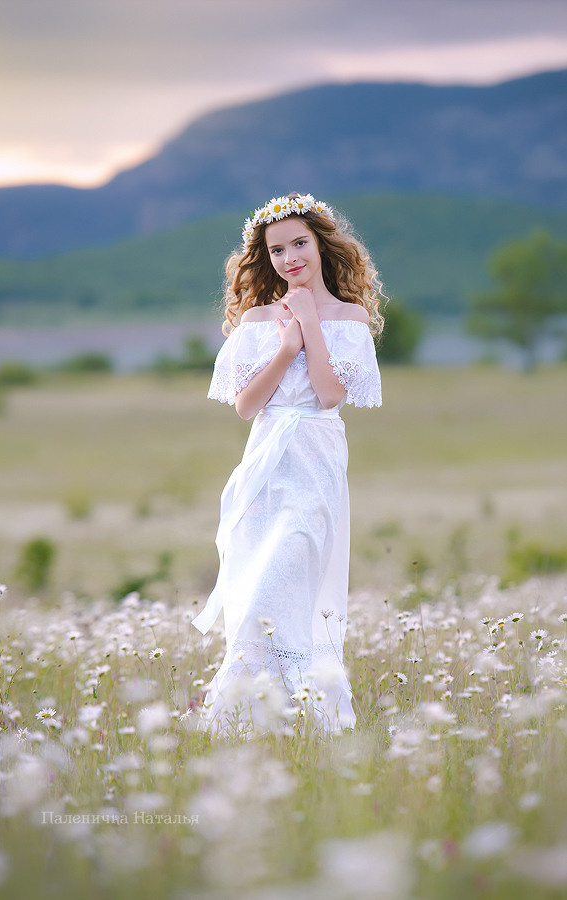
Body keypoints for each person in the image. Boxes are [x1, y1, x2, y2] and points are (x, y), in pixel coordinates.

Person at [191, 192, 384, 734]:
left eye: (299, 243)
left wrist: (310, 324)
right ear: (266, 258)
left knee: (289, 576)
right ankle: (245, 722)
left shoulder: (349, 318)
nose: (289, 258)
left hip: (316, 462)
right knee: (252, 596)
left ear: (322, 245)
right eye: (276, 250)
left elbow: (327, 394)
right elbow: (247, 405)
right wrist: (285, 344)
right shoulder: (257, 319)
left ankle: (310, 714)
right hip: (264, 465)